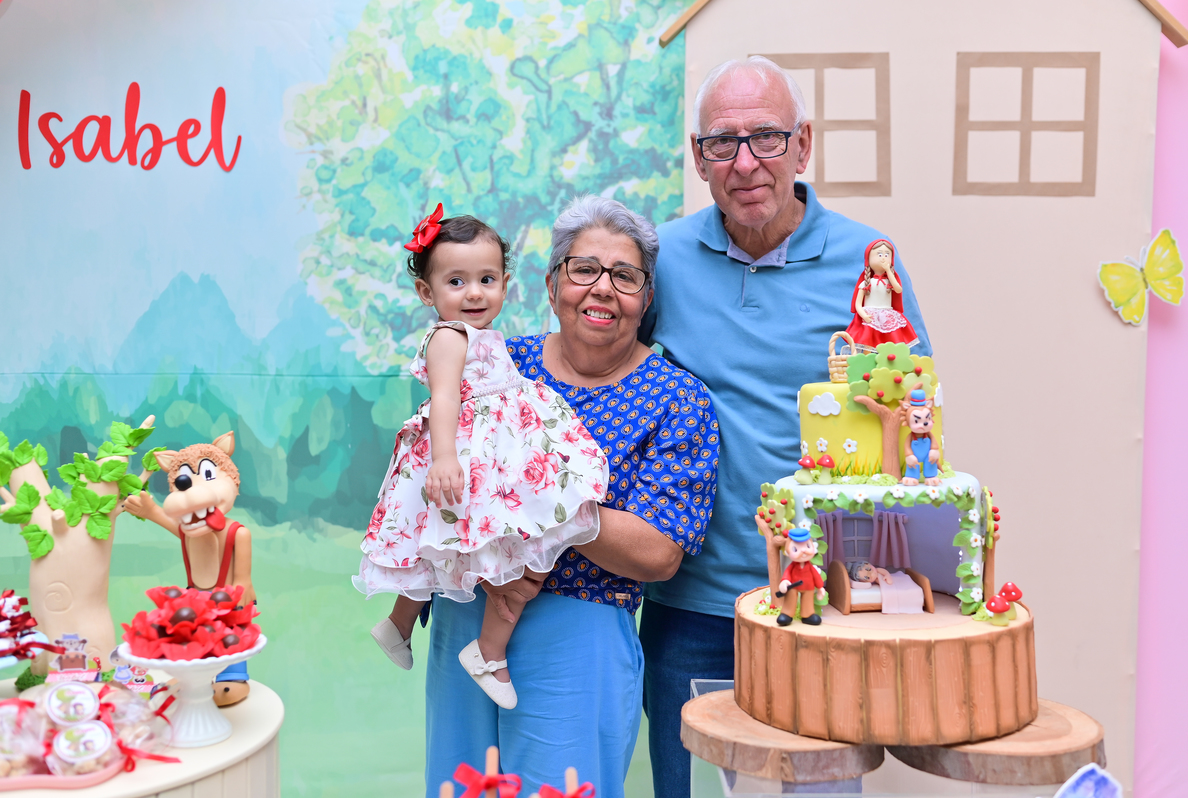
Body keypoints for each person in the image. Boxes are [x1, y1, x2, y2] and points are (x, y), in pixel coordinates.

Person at [638, 56, 934, 797]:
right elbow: (603, 379)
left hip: (825, 605)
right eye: (722, 142)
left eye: (766, 137)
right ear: (698, 157)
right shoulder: (660, 262)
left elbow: (913, 415)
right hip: (693, 608)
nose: (745, 163)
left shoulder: (869, 265)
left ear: (803, 145)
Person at [422, 196, 719, 798]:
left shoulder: (678, 401)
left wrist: (548, 503)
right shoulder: (498, 361)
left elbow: (659, 551)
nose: (602, 288)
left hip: (580, 631)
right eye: (584, 269)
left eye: (625, 276)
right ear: (553, 283)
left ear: (646, 298)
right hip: (469, 610)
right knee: (457, 786)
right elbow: (436, 468)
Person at [353, 207, 608, 711]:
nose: (474, 293)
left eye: (486, 279)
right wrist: (445, 457)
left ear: (505, 285)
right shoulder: (449, 338)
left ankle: (399, 625)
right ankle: (489, 651)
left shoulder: (482, 336)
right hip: (466, 459)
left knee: (447, 550)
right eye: (456, 281)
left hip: (489, 452)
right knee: (511, 553)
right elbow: (445, 398)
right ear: (427, 292)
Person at [846, 238, 918, 349]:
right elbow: (858, 304)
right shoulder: (866, 283)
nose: (883, 257)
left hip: (887, 314)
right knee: (867, 341)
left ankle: (889, 356)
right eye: (879, 254)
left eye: (887, 254)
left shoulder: (890, 282)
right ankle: (866, 356)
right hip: (870, 315)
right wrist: (863, 315)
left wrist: (888, 271)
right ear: (868, 259)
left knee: (890, 339)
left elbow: (898, 289)